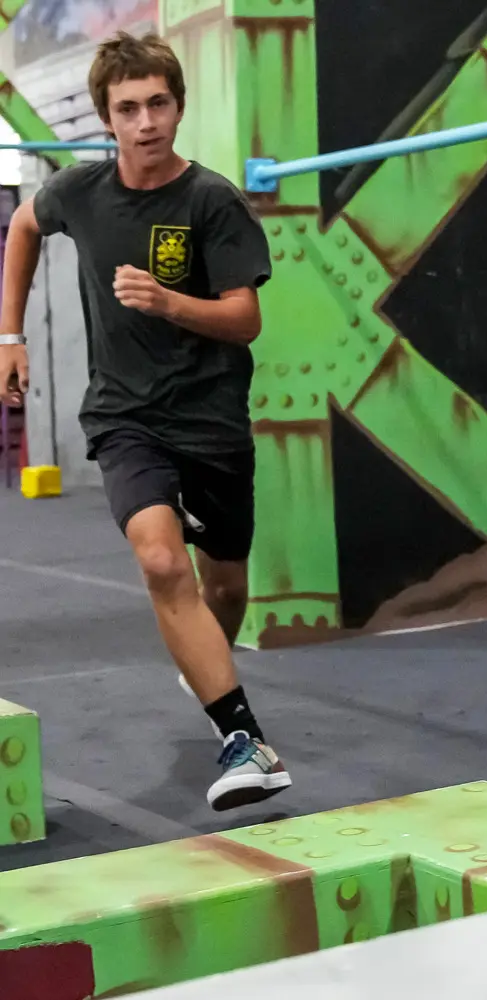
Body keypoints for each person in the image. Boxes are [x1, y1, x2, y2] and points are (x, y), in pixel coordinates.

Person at [0, 31, 291, 812]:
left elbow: (245, 318)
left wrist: (169, 303)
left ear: (178, 107)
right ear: (106, 118)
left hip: (212, 419)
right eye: (127, 108)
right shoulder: (80, 194)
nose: (145, 121)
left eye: (158, 103)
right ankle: (243, 737)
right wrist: (10, 336)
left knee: (223, 588)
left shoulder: (211, 201)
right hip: (125, 417)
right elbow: (24, 227)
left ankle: (205, 657)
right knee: (162, 563)